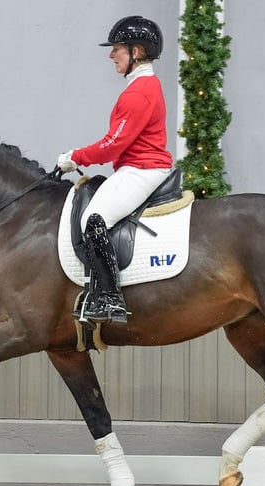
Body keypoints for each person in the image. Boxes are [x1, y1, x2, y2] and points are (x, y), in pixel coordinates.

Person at [57, 15, 173, 325]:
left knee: (94, 219)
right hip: (137, 168)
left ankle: (110, 299)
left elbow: (112, 145)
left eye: (117, 49)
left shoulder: (138, 92)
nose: (111, 55)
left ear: (137, 51)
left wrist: (74, 157)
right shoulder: (144, 85)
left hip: (141, 169)